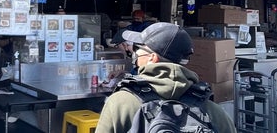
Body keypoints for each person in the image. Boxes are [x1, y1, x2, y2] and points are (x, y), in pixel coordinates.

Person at [96, 22, 236, 133]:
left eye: (138, 48)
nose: (135, 53)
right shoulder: (212, 111)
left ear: (152, 58)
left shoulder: (121, 103)